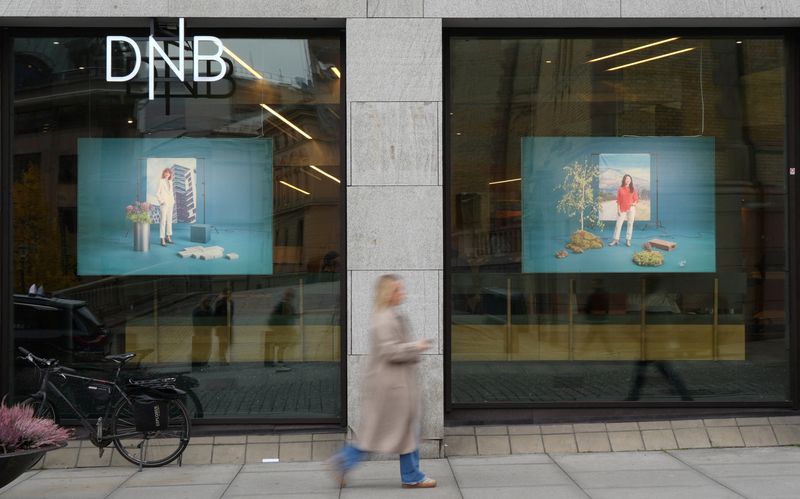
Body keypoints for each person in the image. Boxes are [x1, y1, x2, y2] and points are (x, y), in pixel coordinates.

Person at [328, 274, 436, 489]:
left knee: (388, 432)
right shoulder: (385, 319)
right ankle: (411, 476)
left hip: (393, 385)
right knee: (398, 431)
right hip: (393, 388)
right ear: (388, 293)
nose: (402, 293)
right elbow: (390, 351)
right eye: (398, 289)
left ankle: (345, 462)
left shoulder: (390, 315)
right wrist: (417, 346)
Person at [609, 173, 638, 247]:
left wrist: (633, 204)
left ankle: (628, 240)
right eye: (626, 179)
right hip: (622, 208)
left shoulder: (633, 189)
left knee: (630, 224)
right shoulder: (620, 189)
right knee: (618, 224)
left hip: (631, 209)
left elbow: (636, 200)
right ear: (624, 180)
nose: (628, 180)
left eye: (629, 179)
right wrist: (618, 209)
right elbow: (618, 200)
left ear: (631, 180)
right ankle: (615, 240)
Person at [156, 167, 175, 247]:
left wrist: (173, 201)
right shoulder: (161, 181)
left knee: (169, 221)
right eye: (166, 172)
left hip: (170, 203)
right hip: (164, 204)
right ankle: (162, 238)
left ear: (170, 174)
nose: (167, 174)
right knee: (163, 221)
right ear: (163, 173)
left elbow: (171, 193)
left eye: (168, 172)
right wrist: (162, 201)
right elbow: (157, 193)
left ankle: (168, 236)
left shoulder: (171, 182)